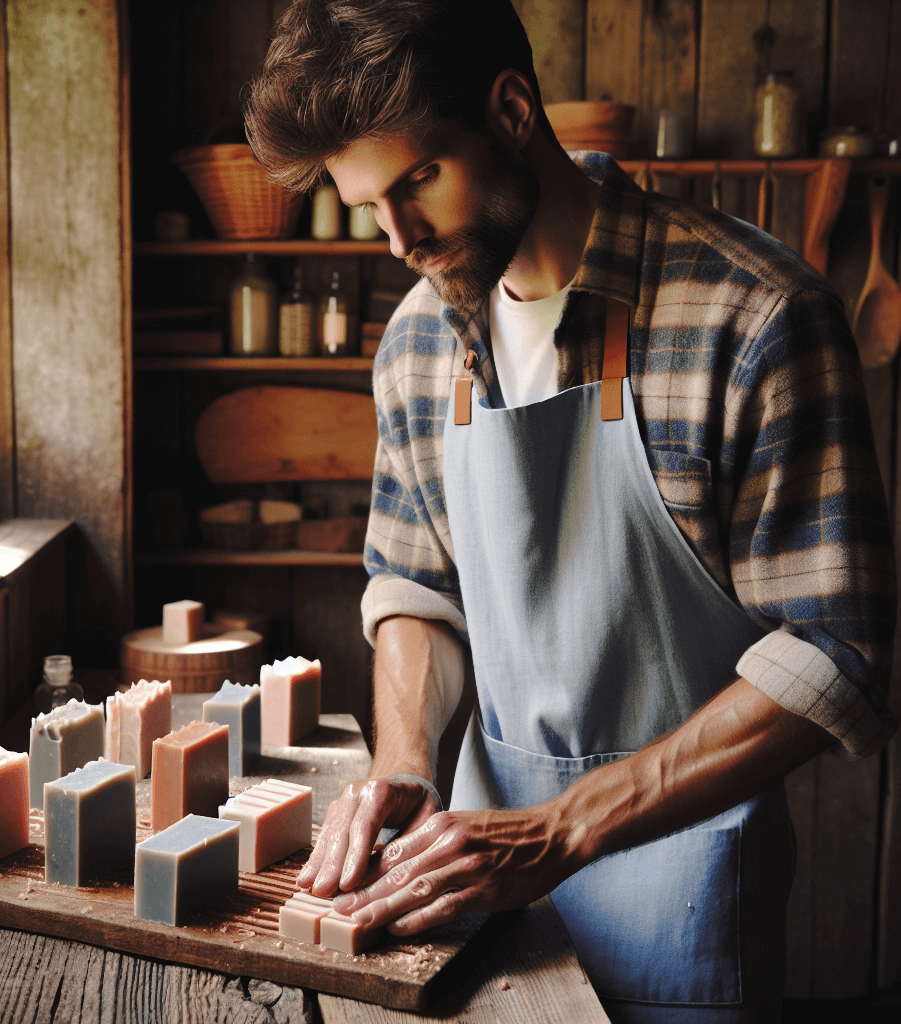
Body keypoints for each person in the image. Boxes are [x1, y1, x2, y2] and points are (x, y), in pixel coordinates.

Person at [244, 2, 897, 1021]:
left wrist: (560, 829)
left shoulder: (757, 317)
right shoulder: (416, 342)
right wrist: (409, 765)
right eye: (370, 205)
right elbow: (417, 584)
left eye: (418, 181)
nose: (400, 240)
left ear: (511, 110)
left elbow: (835, 646)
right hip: (465, 891)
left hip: (687, 899)